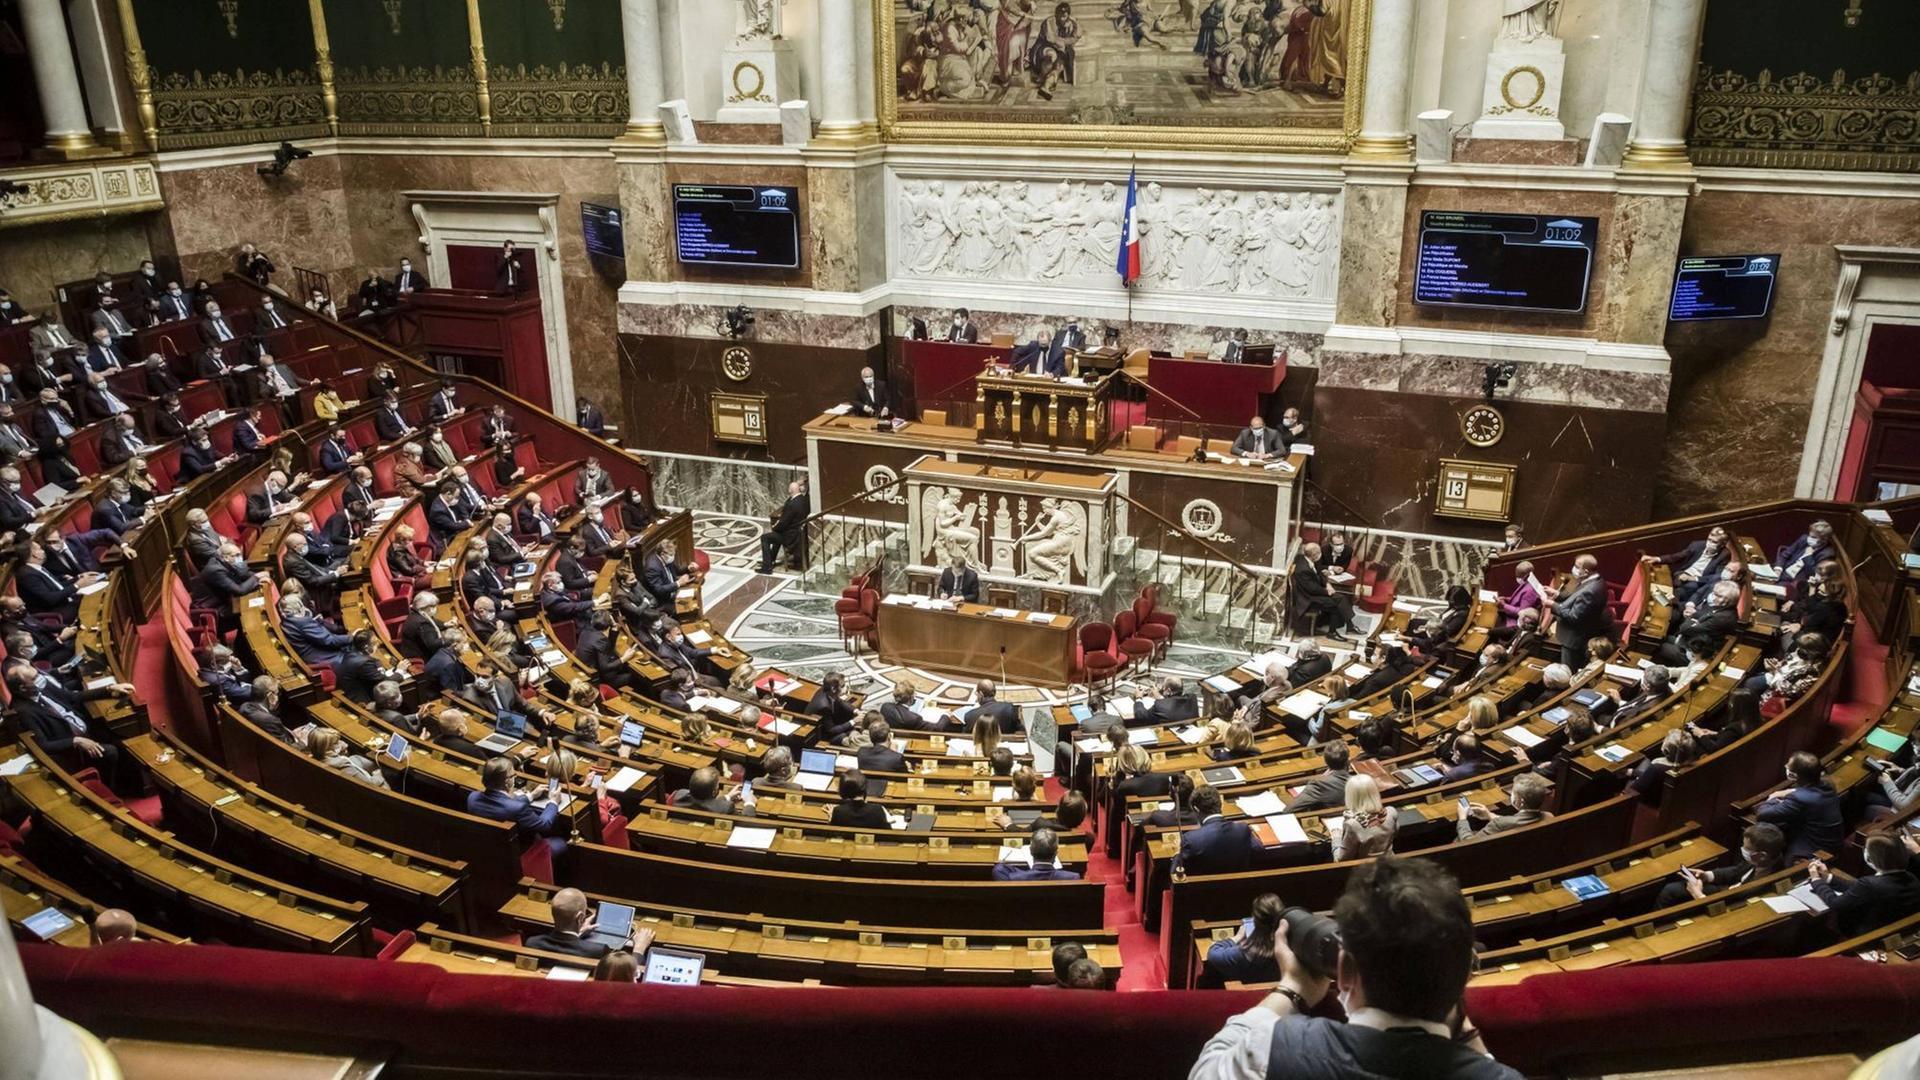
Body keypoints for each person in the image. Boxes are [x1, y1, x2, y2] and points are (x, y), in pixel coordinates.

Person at [1190, 856, 1521, 1080]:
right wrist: (1458, 1016)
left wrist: (1291, 988)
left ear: (1345, 972)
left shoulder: (1276, 1046)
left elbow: (1206, 1069)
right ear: (1464, 975)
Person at [1808, 834, 1920, 938]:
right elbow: (1858, 889)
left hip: (1867, 935)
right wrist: (1828, 878)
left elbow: (1836, 904)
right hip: (1899, 930)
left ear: (1870, 858)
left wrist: (1816, 880)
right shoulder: (1911, 877)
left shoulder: (1870, 884)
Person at [1657, 823, 1786, 907]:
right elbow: (1735, 871)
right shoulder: (1764, 859)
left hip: (1726, 904)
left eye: (1747, 848)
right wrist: (1706, 875)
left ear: (1762, 855)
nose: (1743, 850)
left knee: (1671, 892)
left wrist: (1698, 895)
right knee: (1673, 885)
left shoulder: (1765, 882)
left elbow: (1736, 906)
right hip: (1728, 890)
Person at [467, 756, 569, 855]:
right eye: (513, 775)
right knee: (562, 841)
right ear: (507, 781)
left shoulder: (472, 798)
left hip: (488, 849)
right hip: (519, 854)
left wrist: (531, 796)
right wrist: (553, 802)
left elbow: (502, 803)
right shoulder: (518, 808)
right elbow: (544, 825)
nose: (514, 778)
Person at [1756, 750, 1844, 861]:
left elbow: (1762, 814)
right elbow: (1806, 792)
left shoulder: (1799, 798)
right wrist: (1791, 791)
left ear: (1793, 775)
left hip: (1815, 849)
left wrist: (1773, 798)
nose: (1785, 766)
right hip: (1833, 843)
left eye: (1788, 765)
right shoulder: (1827, 784)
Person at [525, 887, 652, 959]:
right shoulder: (597, 951)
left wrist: (579, 933)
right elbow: (625, 976)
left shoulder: (532, 943)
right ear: (580, 918)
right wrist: (639, 949)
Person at [1199, 893, 1284, 989]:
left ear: (1255, 921)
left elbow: (1213, 953)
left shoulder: (1243, 954)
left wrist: (1237, 937)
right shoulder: (1291, 950)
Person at [1542, 554, 1611, 669]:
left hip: (1574, 639)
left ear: (1586, 571)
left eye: (1577, 566)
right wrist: (1557, 594)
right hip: (1579, 634)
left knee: (1568, 669)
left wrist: (1553, 605)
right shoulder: (1594, 579)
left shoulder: (1590, 591)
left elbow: (1574, 616)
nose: (1573, 569)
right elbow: (1576, 597)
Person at [1175, 784, 1259, 876]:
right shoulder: (1242, 829)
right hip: (1240, 884)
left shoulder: (1191, 839)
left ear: (1196, 809)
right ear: (1221, 804)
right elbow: (1258, 848)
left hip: (1205, 885)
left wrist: (1177, 854)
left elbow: (1177, 872)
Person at [1646, 525, 1732, 604]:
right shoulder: (1697, 545)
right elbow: (1678, 556)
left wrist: (1693, 578)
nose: (1710, 543)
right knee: (1670, 583)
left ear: (1722, 544)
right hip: (1683, 574)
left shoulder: (1724, 555)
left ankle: (1665, 604)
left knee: (1687, 588)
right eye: (1709, 540)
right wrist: (1658, 559)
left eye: (1714, 542)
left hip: (1698, 581)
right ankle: (1660, 599)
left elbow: (1717, 576)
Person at [1456, 772, 1552, 842]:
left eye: (1513, 792)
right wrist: (1489, 815)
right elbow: (1517, 822)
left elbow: (1468, 842)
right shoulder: (1548, 817)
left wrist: (1462, 818)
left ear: (1520, 801)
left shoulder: (1498, 824)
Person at [1291, 542, 1355, 642]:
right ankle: (1335, 632)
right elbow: (1312, 589)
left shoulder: (1307, 560)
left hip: (1313, 593)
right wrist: (1327, 591)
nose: (1320, 554)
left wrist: (1327, 584)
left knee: (1341, 597)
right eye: (1319, 552)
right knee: (1337, 603)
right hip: (1308, 599)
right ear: (1314, 555)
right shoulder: (1303, 569)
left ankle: (1349, 626)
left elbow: (1319, 574)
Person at [1331, 774, 1396, 861]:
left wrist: (1336, 838)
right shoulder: (1391, 812)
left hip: (1367, 868)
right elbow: (1394, 834)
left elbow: (1341, 859)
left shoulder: (1352, 824)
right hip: (1391, 863)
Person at [306, 727, 389, 788]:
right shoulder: (341, 764)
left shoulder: (314, 755)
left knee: (356, 758)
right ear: (326, 748)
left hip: (344, 766)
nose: (342, 743)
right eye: (336, 743)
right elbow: (369, 784)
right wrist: (378, 774)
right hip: (370, 785)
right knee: (383, 772)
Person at [758, 479, 809, 575]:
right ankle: (771, 560)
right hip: (797, 534)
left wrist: (774, 527)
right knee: (776, 535)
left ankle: (767, 567)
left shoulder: (792, 505)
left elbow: (783, 523)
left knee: (765, 538)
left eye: (789, 489)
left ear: (790, 490)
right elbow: (789, 503)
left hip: (790, 537)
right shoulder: (803, 500)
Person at [1286, 741, 1352, 813]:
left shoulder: (1319, 784)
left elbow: (1289, 810)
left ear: (1326, 762)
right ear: (1348, 761)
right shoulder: (1358, 782)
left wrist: (1322, 778)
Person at [992, 827, 1080, 881]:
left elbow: (999, 869)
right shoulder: (1073, 878)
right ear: (1056, 853)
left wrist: (1018, 872)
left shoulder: (1014, 878)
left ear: (1030, 851)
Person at [1775, 520, 1836, 590]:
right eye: (1810, 535)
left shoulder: (1827, 554)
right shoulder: (1804, 539)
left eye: (1814, 537)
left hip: (1795, 583)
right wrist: (1778, 569)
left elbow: (1814, 576)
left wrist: (1808, 556)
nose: (1809, 538)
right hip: (1783, 572)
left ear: (1824, 539)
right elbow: (1784, 555)